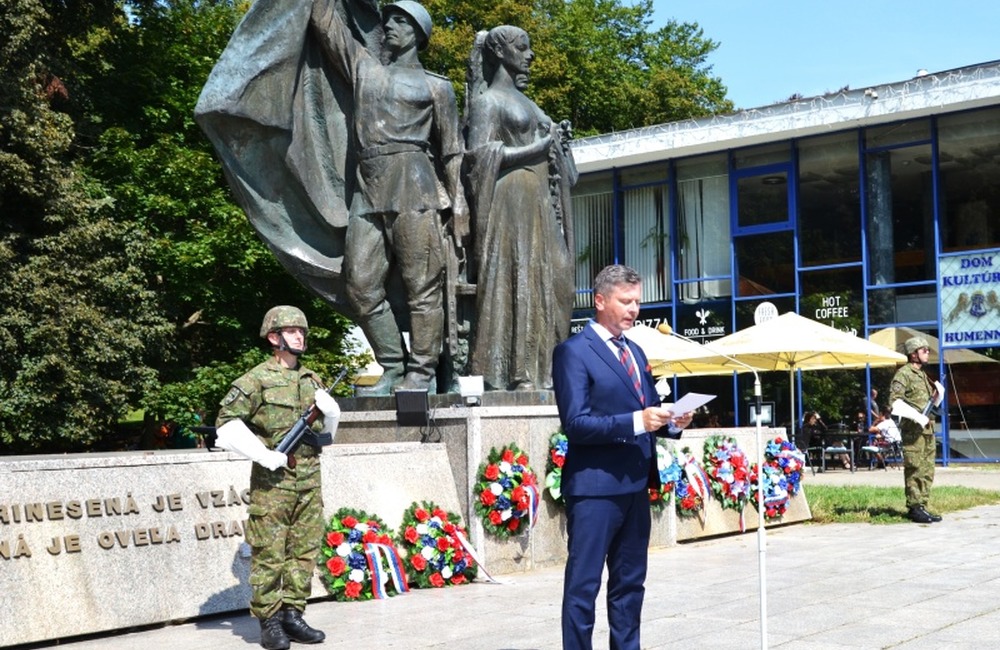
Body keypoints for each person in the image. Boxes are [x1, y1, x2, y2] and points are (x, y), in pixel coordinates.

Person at [310, 0, 469, 394]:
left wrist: (459, 202)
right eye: (389, 20)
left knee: (422, 286)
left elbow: (452, 150)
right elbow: (326, 24)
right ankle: (393, 365)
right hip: (368, 187)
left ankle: (422, 371)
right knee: (360, 286)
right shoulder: (365, 68)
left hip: (416, 185)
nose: (390, 26)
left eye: (401, 20)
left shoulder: (437, 86)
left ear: (418, 33)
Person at [551, 264, 693, 650]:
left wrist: (673, 421)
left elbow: (648, 412)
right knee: (583, 587)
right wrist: (637, 420)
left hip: (634, 487)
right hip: (594, 490)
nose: (634, 309)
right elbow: (576, 424)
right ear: (600, 301)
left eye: (637, 302)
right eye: (626, 301)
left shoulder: (636, 351)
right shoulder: (573, 352)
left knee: (630, 586)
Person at [216, 306, 338, 650]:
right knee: (270, 553)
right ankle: (269, 621)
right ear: (274, 337)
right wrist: (263, 454)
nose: (300, 336)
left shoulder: (312, 380)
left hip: (309, 482)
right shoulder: (256, 379)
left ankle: (292, 614)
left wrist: (333, 415)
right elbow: (226, 423)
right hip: (273, 485)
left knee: (304, 550)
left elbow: (326, 436)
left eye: (302, 331)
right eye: (292, 331)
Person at [464, 25, 577, 391]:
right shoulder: (488, 102)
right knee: (518, 278)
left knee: (559, 281)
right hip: (510, 199)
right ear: (499, 51)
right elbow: (478, 157)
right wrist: (537, 148)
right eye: (523, 47)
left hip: (539, 199)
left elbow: (554, 153)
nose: (530, 55)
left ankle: (546, 369)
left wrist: (559, 141)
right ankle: (517, 373)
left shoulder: (528, 101)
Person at [890, 336, 942, 524]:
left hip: (927, 430)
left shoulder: (922, 375)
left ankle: (922, 505)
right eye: (924, 350)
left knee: (927, 469)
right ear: (913, 354)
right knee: (915, 468)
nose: (927, 353)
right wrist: (917, 416)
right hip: (913, 431)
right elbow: (895, 402)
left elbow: (924, 402)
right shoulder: (903, 374)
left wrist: (937, 396)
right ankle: (914, 507)